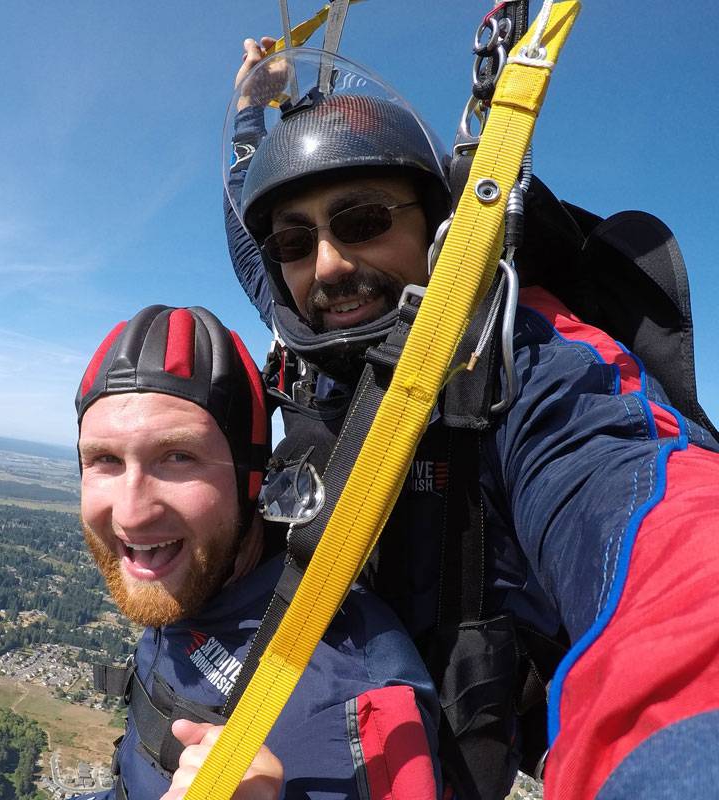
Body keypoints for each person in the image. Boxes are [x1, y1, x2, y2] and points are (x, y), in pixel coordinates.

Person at [209, 36, 719, 800]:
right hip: (349, 703)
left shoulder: (522, 359)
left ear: (437, 227)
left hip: (456, 737)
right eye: (297, 239)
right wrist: (253, 105)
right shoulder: (310, 329)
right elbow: (251, 244)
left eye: (363, 218)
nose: (329, 264)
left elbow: (649, 513)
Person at [73, 304, 441, 799]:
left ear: (252, 480)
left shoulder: (358, 696)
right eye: (104, 460)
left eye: (178, 457)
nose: (131, 514)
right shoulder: (196, 576)